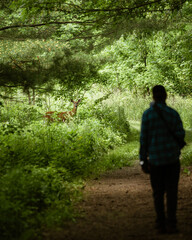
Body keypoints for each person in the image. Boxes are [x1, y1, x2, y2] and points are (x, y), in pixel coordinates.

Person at [139, 85, 185, 234]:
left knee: (158, 192)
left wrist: (143, 160)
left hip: (156, 160)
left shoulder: (147, 115)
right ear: (165, 96)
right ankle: (172, 222)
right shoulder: (173, 114)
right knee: (172, 192)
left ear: (153, 97)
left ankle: (160, 223)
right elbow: (181, 134)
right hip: (172, 160)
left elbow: (143, 139)